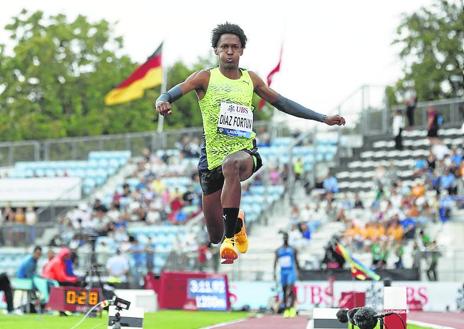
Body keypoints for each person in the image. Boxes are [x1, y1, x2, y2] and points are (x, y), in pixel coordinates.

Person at [155, 23, 346, 263]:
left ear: (242, 50)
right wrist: (162, 100)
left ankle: (231, 238)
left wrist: (321, 117)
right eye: (224, 47)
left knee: (231, 165)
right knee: (214, 235)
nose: (229, 51)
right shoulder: (204, 78)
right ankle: (235, 223)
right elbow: (171, 93)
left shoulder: (250, 80)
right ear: (216, 50)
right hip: (210, 159)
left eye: (235, 47)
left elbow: (283, 103)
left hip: (245, 153)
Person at [273, 232, 301, 318]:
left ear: (288, 238)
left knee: (290, 289)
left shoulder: (293, 249)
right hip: (283, 272)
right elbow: (275, 262)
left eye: (286, 237)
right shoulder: (278, 250)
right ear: (282, 239)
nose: (285, 239)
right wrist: (274, 273)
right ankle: (286, 309)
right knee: (284, 291)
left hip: (291, 271)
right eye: (284, 237)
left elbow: (296, 261)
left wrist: (299, 271)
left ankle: (291, 308)